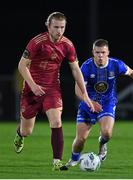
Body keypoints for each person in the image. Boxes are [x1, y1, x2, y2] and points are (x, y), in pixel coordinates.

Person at [13, 12, 95, 170]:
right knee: (27, 131)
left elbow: (76, 69)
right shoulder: (37, 42)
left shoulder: (67, 45)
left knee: (56, 121)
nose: (59, 31)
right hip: (32, 89)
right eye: (56, 27)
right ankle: (19, 133)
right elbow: (22, 65)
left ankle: (56, 161)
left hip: (52, 89)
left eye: (62, 27)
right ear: (48, 26)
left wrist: (84, 93)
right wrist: (33, 85)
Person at [60, 38, 133, 170]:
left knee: (107, 133)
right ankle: (74, 159)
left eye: (103, 52)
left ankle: (102, 144)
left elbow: (132, 73)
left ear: (108, 52)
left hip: (107, 103)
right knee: (80, 139)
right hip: (88, 104)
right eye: (97, 52)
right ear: (93, 52)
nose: (100, 55)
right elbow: (78, 89)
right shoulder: (86, 66)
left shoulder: (116, 64)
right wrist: (90, 102)